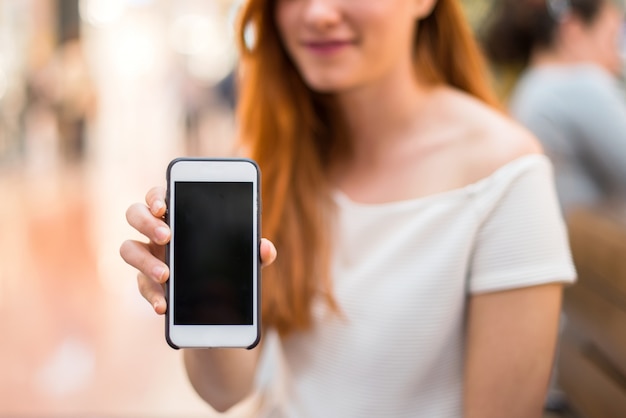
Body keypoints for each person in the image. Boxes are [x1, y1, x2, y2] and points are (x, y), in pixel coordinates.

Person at [120, 0, 576, 416]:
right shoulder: (272, 156)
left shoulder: (506, 175)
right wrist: (198, 292)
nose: (317, 13)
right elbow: (223, 393)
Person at [482, 0, 626, 213]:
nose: (618, 58)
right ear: (572, 29)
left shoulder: (528, 89)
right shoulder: (580, 85)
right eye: (612, 39)